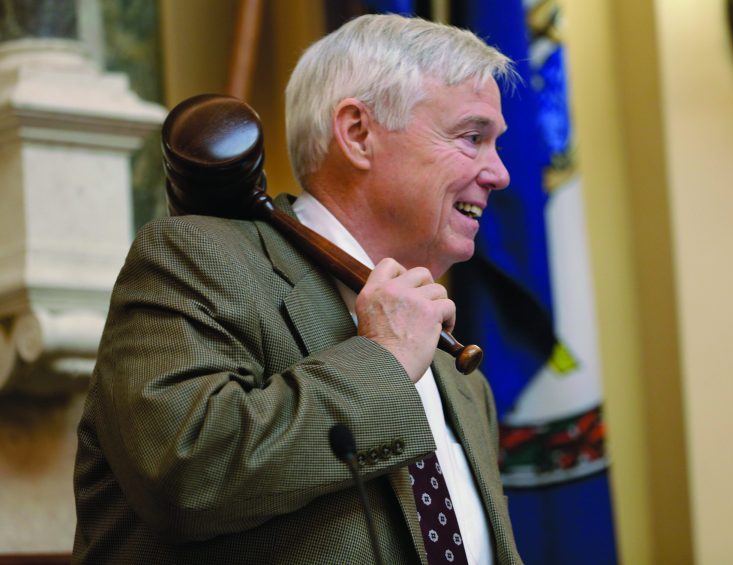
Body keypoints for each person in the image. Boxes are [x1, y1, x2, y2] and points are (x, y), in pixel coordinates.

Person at [73, 13, 522, 565]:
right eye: (472, 138)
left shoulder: (458, 370)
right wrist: (382, 360)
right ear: (357, 133)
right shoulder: (194, 258)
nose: (499, 173)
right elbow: (183, 474)